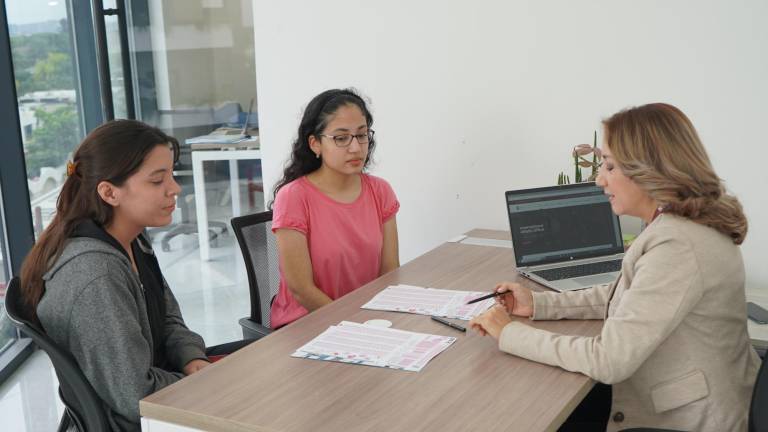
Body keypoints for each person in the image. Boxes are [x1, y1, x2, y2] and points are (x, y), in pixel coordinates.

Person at [470, 103, 760, 432]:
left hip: (691, 420)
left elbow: (609, 360)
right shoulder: (681, 223)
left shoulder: (678, 246)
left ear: (646, 170)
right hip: (694, 401)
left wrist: (509, 333)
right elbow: (625, 294)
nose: (598, 180)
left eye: (609, 166)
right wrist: (538, 303)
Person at [19, 120, 250, 432]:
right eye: (157, 181)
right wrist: (196, 382)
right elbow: (134, 395)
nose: (175, 188)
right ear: (109, 192)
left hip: (161, 392)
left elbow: (169, 317)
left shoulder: (133, 238)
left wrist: (191, 357)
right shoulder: (96, 275)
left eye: (171, 174)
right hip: (143, 418)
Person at [269, 88, 400, 328]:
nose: (356, 148)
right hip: (306, 325)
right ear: (315, 143)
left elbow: (390, 272)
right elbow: (301, 290)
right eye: (341, 138)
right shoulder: (294, 197)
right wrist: (352, 325)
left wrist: (376, 323)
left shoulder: (380, 191)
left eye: (362, 135)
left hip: (368, 323)